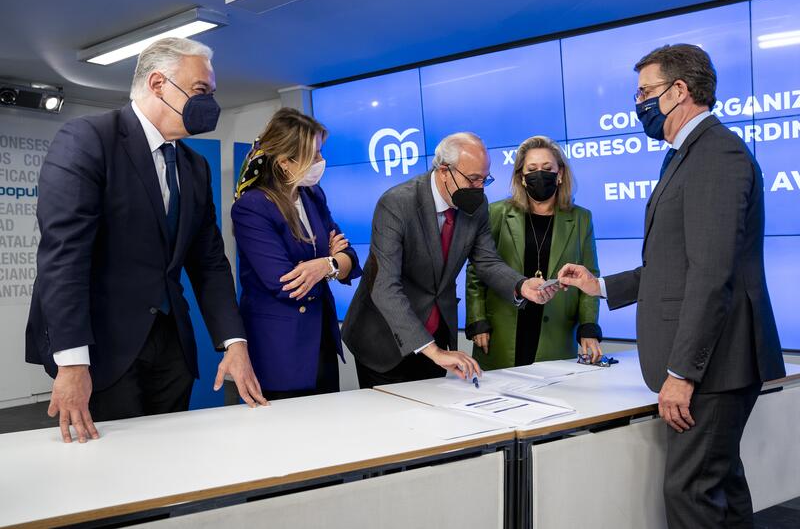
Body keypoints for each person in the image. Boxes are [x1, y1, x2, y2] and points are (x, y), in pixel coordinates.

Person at [558, 44, 785, 528]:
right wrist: (600, 286)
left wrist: (682, 373)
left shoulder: (716, 154)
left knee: (691, 493)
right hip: (716, 364)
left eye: (645, 92)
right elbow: (674, 266)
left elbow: (711, 274)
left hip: (714, 367)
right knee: (720, 487)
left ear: (679, 90)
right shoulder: (687, 155)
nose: (638, 102)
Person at [26, 38, 266, 444]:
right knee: (110, 467)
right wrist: (72, 363)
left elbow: (209, 261)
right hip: (102, 350)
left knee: (171, 458)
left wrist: (234, 342)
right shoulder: (88, 139)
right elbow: (64, 258)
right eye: (201, 90)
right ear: (158, 84)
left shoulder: (194, 166)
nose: (209, 103)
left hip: (171, 350)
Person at [342, 132, 560, 389]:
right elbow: (385, 286)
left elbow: (487, 261)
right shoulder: (396, 204)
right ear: (444, 171)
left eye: (485, 179)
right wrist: (432, 350)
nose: (479, 188)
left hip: (436, 337)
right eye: (473, 179)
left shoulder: (477, 205)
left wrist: (522, 285)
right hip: (384, 340)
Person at [231, 108, 362, 400]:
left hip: (320, 338)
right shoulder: (252, 207)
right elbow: (285, 283)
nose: (320, 161)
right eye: (313, 155)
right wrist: (331, 263)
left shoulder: (313, 195)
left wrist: (325, 265)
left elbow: (350, 259)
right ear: (285, 162)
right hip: (280, 346)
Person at [465, 135, 601, 370]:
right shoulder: (495, 213)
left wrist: (588, 326)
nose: (540, 174)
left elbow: (589, 278)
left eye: (547, 169)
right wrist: (477, 320)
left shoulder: (581, 218)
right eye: (532, 169)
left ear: (560, 174)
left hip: (556, 333)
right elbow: (477, 271)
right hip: (501, 333)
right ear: (522, 177)